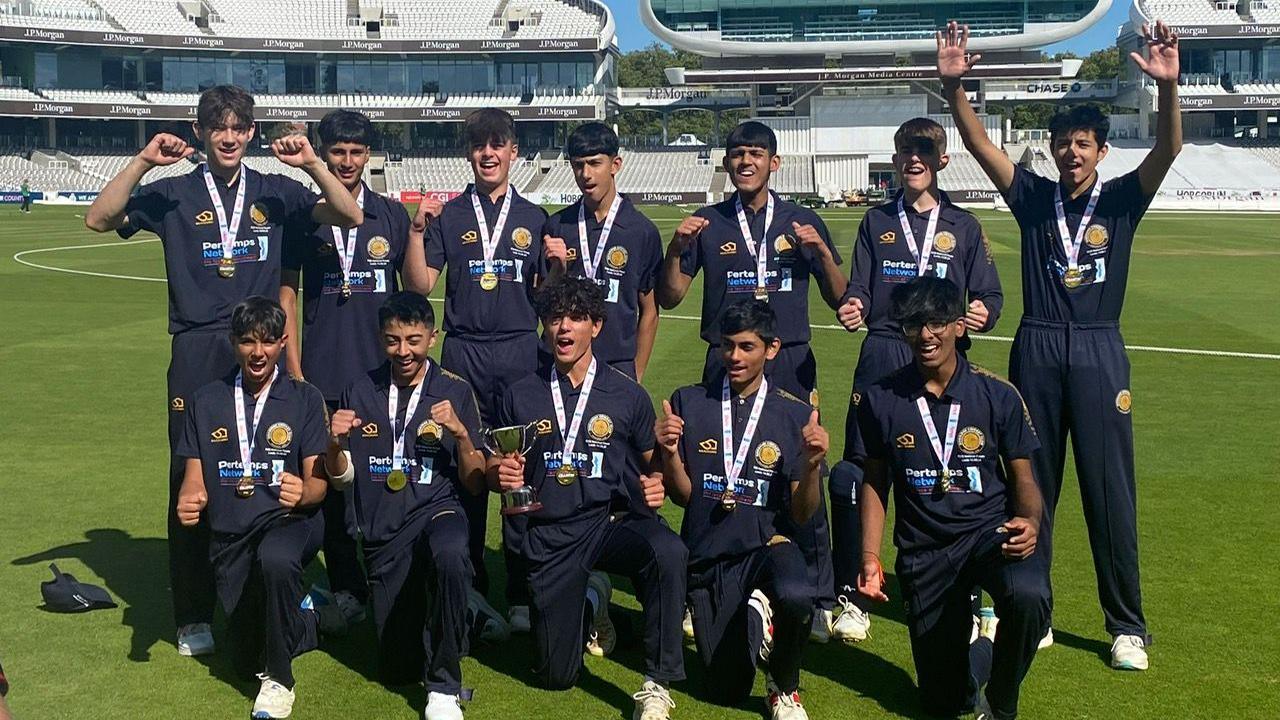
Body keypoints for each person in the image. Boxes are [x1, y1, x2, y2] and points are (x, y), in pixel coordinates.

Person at [84, 84, 362, 658]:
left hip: (260, 346)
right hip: (197, 350)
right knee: (191, 473)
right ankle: (191, 612)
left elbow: (349, 212)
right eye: (218, 128)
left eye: (238, 128)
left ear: (251, 133)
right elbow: (98, 218)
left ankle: (272, 581)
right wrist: (140, 161)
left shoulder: (275, 190)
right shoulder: (175, 192)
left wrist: (312, 161)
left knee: (270, 464)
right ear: (201, 135)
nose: (229, 138)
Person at [940, 20, 1182, 669]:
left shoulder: (1125, 198)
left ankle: (1126, 626)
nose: (1072, 152)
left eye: (1083, 143)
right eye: (1063, 143)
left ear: (1101, 150)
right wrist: (955, 85)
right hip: (1037, 351)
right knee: (1030, 488)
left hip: (1101, 352)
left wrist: (1167, 90)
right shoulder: (1034, 197)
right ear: (1050, 150)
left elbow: (1168, 150)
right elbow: (978, 142)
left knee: (1109, 492)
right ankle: (1034, 609)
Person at [657, 120, 844, 640]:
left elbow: (838, 294)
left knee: (806, 467)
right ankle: (703, 585)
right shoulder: (707, 223)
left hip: (790, 359)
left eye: (756, 154)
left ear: (774, 163)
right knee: (714, 467)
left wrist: (821, 253)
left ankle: (818, 594)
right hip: (727, 358)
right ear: (727, 162)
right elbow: (670, 297)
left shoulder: (802, 219)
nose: (745, 162)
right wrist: (675, 249)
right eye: (737, 153)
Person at [830, 117, 1004, 643]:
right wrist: (852, 305)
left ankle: (969, 592)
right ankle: (855, 591)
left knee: (948, 467)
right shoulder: (874, 221)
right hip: (883, 352)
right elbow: (856, 288)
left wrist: (981, 313)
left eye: (925, 150)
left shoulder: (965, 226)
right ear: (895, 156)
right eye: (906, 149)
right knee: (860, 471)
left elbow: (990, 298)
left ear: (942, 160)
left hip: (941, 357)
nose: (914, 159)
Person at [489, 276, 686, 720]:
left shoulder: (627, 393)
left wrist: (660, 478)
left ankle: (658, 681)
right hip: (550, 532)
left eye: (576, 318)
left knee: (667, 551)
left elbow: (654, 461)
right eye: (554, 318)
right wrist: (497, 473)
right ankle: (594, 600)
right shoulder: (521, 393)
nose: (563, 329)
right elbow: (492, 466)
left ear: (596, 326)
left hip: (608, 522)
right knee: (556, 676)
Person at [856, 277, 1048, 720]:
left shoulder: (997, 393)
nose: (926, 335)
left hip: (987, 535)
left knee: (1031, 595)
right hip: (925, 551)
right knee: (945, 702)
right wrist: (870, 556)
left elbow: (1024, 478)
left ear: (959, 326)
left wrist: (1031, 522)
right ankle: (983, 646)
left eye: (937, 322)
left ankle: (1000, 705)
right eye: (914, 324)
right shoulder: (881, 398)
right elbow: (874, 482)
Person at [411, 108, 561, 631]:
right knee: (467, 469)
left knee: (521, 471)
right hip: (465, 353)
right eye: (479, 147)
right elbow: (420, 284)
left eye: (497, 145)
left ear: (513, 152)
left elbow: (547, 297)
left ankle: (522, 587)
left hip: (520, 352)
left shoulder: (535, 218)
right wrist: (415, 231)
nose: (488, 154)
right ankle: (471, 583)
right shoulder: (450, 217)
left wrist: (560, 265)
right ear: (469, 155)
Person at [656, 299, 829, 720]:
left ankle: (783, 687)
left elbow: (803, 514)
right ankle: (753, 614)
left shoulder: (794, 413)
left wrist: (809, 467)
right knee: (724, 689)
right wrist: (670, 454)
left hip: (767, 546)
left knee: (796, 595)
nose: (734, 356)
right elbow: (684, 496)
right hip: (709, 554)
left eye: (747, 347)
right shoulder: (690, 402)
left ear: (771, 349)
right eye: (727, 345)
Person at [280, 109, 420, 624]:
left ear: (369, 156)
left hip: (381, 376)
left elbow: (412, 299)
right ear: (323, 152)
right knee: (333, 484)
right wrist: (294, 372)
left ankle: (393, 572)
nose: (346, 161)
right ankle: (345, 585)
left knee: (384, 477)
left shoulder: (390, 215)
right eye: (336, 151)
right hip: (321, 370)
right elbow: (287, 295)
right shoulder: (306, 215)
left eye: (356, 152)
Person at [322, 292, 487, 720]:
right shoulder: (359, 389)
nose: (403, 351)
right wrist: (334, 444)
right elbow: (342, 480)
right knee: (397, 668)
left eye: (413, 340)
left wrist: (462, 434)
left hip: (436, 511)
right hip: (383, 533)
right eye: (393, 340)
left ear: (431, 337)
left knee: (451, 554)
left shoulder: (454, 390)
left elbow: (474, 482)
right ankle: (464, 611)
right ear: (381, 339)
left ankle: (445, 687)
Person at [174, 296, 340, 720]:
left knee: (276, 559)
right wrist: (190, 500)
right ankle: (311, 621)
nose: (258, 352)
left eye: (267, 342)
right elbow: (194, 475)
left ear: (283, 343)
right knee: (244, 657)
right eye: (248, 342)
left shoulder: (304, 398)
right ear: (233, 343)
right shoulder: (206, 400)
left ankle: (281, 682)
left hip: (288, 522)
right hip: (231, 535)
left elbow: (318, 484)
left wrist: (302, 492)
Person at [542, 122, 663, 380]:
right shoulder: (557, 225)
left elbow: (650, 312)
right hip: (564, 361)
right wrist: (557, 270)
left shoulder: (642, 231)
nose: (585, 174)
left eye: (595, 163)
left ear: (615, 165)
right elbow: (543, 302)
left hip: (617, 363)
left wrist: (636, 373)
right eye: (578, 165)